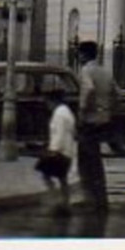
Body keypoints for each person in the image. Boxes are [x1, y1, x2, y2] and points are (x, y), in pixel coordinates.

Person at [76, 40, 114, 213]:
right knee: (96, 161)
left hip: (89, 120)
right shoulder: (105, 72)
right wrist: (109, 110)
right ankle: (101, 199)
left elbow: (89, 90)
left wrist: (82, 111)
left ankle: (90, 199)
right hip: (103, 119)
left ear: (83, 55)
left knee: (86, 162)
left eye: (79, 54)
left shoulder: (86, 71)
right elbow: (117, 93)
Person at [35, 86, 75, 214]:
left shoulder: (59, 114)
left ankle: (56, 200)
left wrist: (53, 150)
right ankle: (65, 202)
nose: (47, 106)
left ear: (53, 101)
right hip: (67, 151)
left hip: (59, 152)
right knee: (62, 178)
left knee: (45, 174)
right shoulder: (67, 112)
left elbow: (59, 133)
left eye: (48, 102)